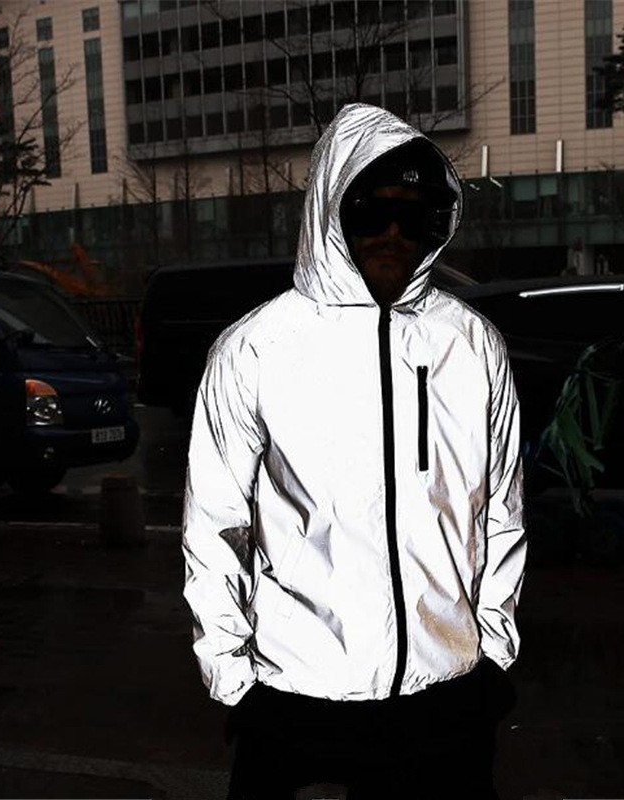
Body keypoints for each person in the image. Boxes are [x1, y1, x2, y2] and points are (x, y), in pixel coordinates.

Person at [182, 103, 526, 799]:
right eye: (374, 211)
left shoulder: (472, 345)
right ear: (332, 211)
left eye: (416, 216)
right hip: (296, 703)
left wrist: (492, 655)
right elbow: (215, 527)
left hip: (446, 699)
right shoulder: (254, 350)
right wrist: (234, 678)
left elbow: (501, 513)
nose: (394, 234)